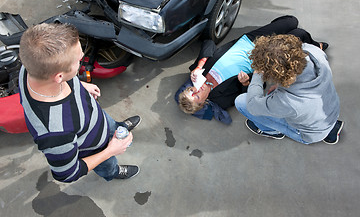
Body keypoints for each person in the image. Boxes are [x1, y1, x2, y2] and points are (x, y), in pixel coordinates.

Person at [18, 23, 141, 183]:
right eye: (78, 61)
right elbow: (68, 174)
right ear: (59, 77)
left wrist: (80, 85)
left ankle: (117, 129)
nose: (82, 60)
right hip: (95, 148)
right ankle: (114, 171)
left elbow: (58, 72)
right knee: (107, 165)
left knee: (111, 126)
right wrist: (111, 150)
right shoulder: (55, 134)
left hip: (95, 119)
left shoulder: (32, 65)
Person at [175, 15, 327, 124]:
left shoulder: (198, 73)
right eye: (195, 96)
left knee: (291, 21)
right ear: (202, 103)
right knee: (298, 35)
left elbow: (208, 43)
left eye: (190, 90)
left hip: (248, 40)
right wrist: (245, 82)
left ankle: (282, 37)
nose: (195, 90)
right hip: (262, 56)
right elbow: (246, 95)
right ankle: (316, 46)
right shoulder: (220, 99)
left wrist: (199, 66)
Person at [235, 33, 343, 145]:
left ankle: (271, 131)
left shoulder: (288, 101)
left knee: (242, 102)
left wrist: (258, 73)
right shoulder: (315, 53)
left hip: (309, 134)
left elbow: (253, 106)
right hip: (330, 111)